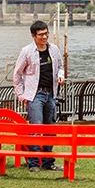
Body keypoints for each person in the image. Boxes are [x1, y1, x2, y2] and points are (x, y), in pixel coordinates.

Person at [13, 21, 65, 171]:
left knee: (50, 129)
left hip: (51, 93)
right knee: (35, 129)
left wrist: (61, 76)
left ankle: (49, 162)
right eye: (41, 34)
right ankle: (34, 163)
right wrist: (22, 96)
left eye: (46, 33)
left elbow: (60, 67)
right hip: (35, 94)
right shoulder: (27, 51)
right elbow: (17, 75)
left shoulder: (54, 49)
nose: (44, 37)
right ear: (33, 36)